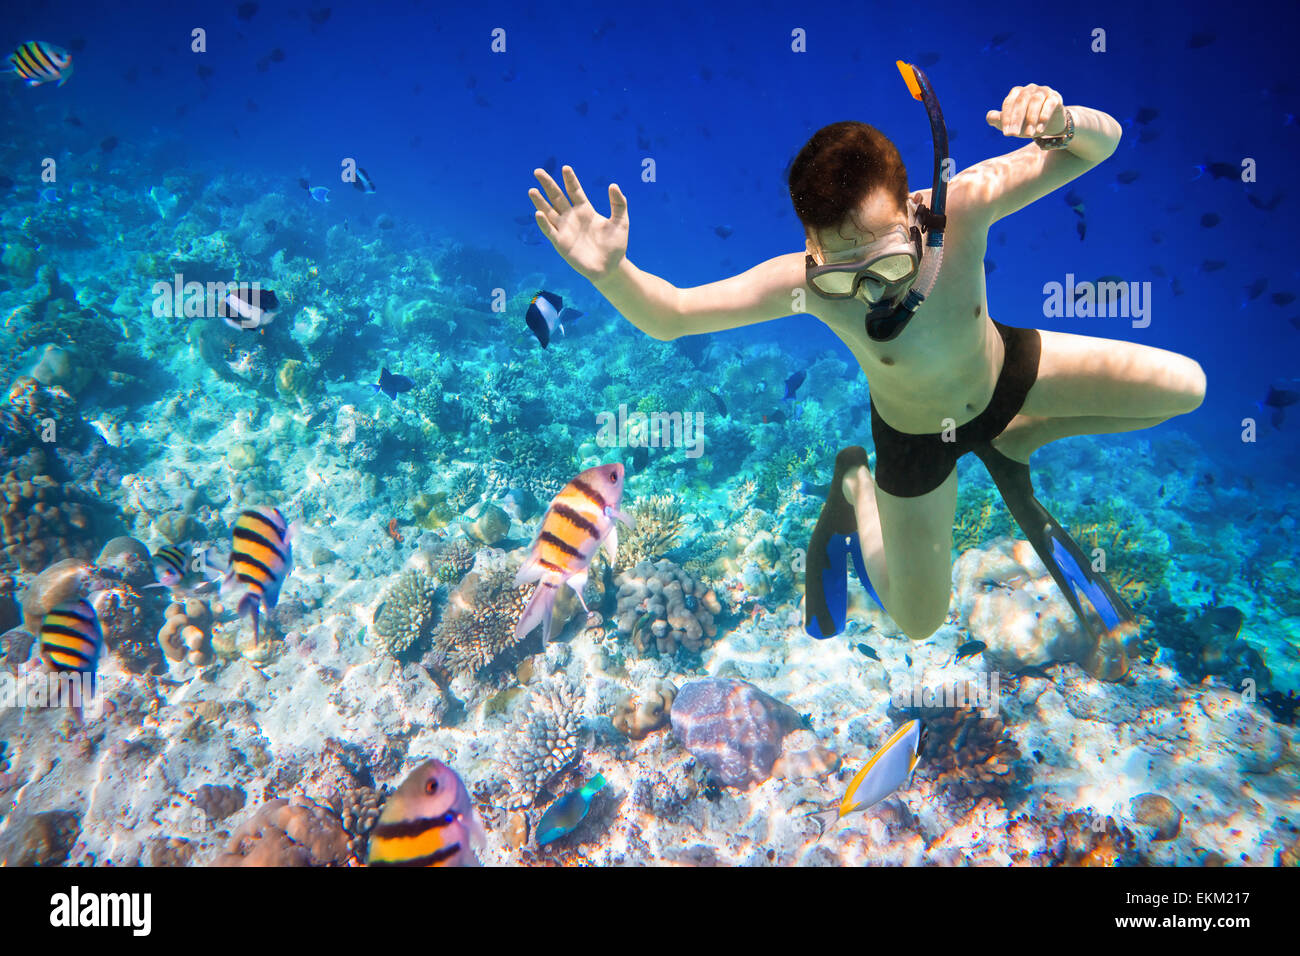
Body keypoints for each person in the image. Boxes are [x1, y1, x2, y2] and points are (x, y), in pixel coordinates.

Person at [526, 64, 1205, 649]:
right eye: (840, 277)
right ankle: (856, 483)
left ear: (918, 219)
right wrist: (611, 273)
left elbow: (1100, 145)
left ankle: (1017, 435)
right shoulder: (801, 285)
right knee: (917, 622)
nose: (869, 297)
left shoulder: (960, 207)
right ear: (811, 253)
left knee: (1186, 387)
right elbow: (671, 316)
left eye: (885, 266)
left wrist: (1062, 121)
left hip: (1010, 377)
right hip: (913, 438)